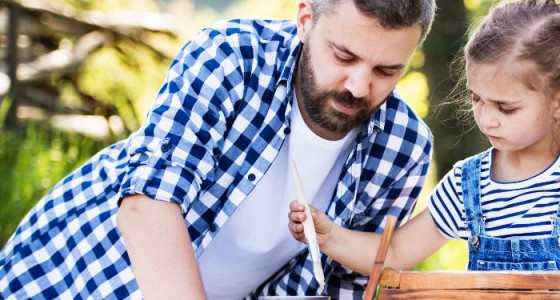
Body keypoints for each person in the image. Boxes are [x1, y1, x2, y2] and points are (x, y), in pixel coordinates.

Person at [0, 0, 435, 299]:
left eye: (386, 70)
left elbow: (346, 284)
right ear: (306, 19)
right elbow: (148, 206)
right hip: (77, 274)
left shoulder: (403, 148)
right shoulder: (232, 58)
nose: (359, 86)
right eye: (343, 56)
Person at [288, 0, 560, 299]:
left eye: (506, 108)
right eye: (477, 100)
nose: (487, 119)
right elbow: (396, 253)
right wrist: (329, 237)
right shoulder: (468, 183)